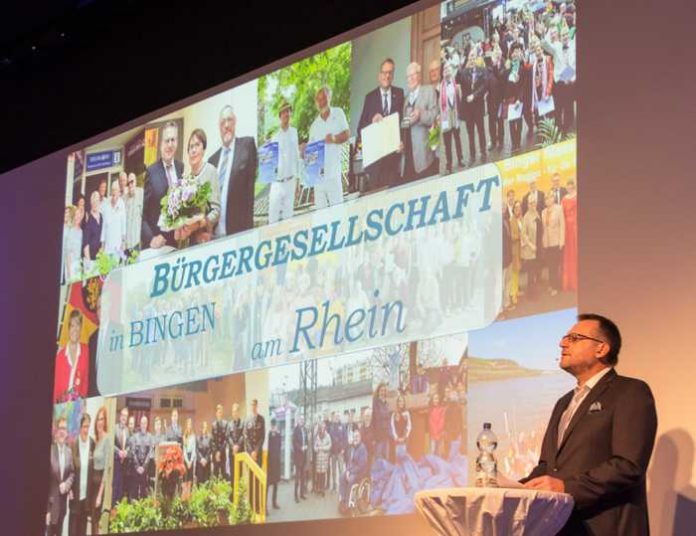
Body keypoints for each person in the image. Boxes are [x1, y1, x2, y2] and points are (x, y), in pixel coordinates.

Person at [521, 314, 657, 535]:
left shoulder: (630, 392)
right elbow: (548, 466)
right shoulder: (563, 402)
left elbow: (628, 465)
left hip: (605, 527)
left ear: (601, 349)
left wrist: (567, 488)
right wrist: (511, 489)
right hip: (561, 526)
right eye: (565, 338)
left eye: (574, 338)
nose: (562, 343)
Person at [208, 105, 258, 237]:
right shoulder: (212, 160)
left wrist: (249, 231)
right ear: (219, 127)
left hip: (239, 232)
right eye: (222, 122)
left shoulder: (247, 146)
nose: (226, 125)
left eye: (229, 120)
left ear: (235, 121)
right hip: (215, 234)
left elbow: (250, 190)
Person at [356, 58, 405, 190]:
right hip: (375, 163)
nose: (387, 76)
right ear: (379, 76)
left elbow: (403, 124)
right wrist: (372, 121)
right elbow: (360, 128)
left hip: (393, 160)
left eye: (390, 72)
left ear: (393, 75)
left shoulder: (399, 94)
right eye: (384, 72)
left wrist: (403, 143)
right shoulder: (370, 97)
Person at [142, 121, 183, 249]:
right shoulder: (151, 172)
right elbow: (142, 214)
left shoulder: (181, 167)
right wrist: (151, 238)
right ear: (160, 144)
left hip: (176, 244)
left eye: (173, 140)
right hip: (156, 248)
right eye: (167, 141)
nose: (170, 145)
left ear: (177, 142)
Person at [307, 86, 350, 208]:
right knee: (321, 215)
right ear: (316, 103)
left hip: (333, 174)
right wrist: (304, 150)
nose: (322, 102)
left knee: (338, 212)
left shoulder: (338, 113)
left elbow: (347, 134)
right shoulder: (314, 126)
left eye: (324, 98)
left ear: (329, 98)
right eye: (319, 100)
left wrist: (334, 139)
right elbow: (310, 155)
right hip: (318, 178)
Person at [402, 62, 438, 182]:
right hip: (408, 155)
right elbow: (404, 123)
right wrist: (409, 120)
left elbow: (434, 116)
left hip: (425, 154)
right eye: (408, 76)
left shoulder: (429, 91)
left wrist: (420, 114)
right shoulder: (406, 98)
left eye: (414, 75)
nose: (411, 78)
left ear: (419, 75)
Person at [268, 101, 300, 223]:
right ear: (280, 115)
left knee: (288, 218)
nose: (287, 114)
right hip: (277, 183)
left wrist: (297, 180)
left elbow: (297, 157)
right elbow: (270, 162)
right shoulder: (274, 137)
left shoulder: (294, 133)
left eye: (289, 111)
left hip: (290, 181)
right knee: (273, 219)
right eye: (284, 111)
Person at [456, 49, 488, 166]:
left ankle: (483, 151)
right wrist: (463, 65)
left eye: (474, 57)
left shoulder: (482, 71)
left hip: (478, 106)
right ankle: (472, 154)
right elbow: (457, 80)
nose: (473, 59)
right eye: (470, 57)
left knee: (481, 130)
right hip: (468, 109)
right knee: (470, 133)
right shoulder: (464, 72)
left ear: (477, 58)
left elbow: (485, 86)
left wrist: (474, 96)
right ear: (468, 58)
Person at [543, 25, 576, 134]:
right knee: (558, 107)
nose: (565, 37)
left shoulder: (573, 46)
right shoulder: (556, 47)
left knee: (569, 107)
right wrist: (548, 30)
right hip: (559, 83)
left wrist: (571, 78)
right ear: (559, 37)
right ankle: (558, 129)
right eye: (562, 35)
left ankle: (567, 128)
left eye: (566, 34)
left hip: (570, 82)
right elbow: (544, 44)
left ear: (569, 35)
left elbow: (575, 65)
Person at [54, 309, 89, 402]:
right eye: (72, 325)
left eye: (78, 325)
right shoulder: (59, 357)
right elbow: (55, 388)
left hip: (78, 406)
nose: (75, 329)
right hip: (61, 406)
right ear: (68, 329)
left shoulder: (86, 351)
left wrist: (82, 400)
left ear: (81, 328)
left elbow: (86, 381)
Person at [47, 417, 74, 536]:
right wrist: (46, 510)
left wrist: (67, 485)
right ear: (56, 431)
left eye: (65, 428)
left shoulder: (69, 452)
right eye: (61, 428)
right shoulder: (50, 450)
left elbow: (72, 473)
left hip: (62, 505)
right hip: (51, 506)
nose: (63, 431)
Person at [69, 413, 94, 536]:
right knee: (73, 531)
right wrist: (69, 490)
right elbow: (69, 470)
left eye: (88, 426)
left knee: (82, 531)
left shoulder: (92, 444)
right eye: (84, 426)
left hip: (86, 498)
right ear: (79, 427)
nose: (86, 429)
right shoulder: (73, 444)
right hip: (75, 497)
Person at [438, 62, 464, 174]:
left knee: (457, 138)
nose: (447, 70)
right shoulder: (439, 87)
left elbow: (460, 98)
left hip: (455, 114)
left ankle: (460, 159)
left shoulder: (455, 83)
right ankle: (449, 165)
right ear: (442, 73)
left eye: (448, 68)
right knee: (447, 142)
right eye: (445, 69)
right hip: (445, 117)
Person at [502, 42, 527, 153]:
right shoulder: (508, 66)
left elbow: (523, 85)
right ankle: (514, 143)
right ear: (511, 53)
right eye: (514, 51)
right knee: (512, 122)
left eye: (518, 51)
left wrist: (519, 99)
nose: (515, 53)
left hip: (519, 99)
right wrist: (506, 70)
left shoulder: (522, 68)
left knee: (519, 122)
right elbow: (503, 81)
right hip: (509, 98)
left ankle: (518, 141)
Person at [542, 191, 565, 296]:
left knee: (555, 265)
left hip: (556, 242)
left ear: (553, 198)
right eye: (546, 198)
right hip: (547, 243)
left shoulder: (559, 208)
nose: (548, 200)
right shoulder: (543, 211)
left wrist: (561, 241)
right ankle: (551, 284)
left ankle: (556, 287)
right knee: (550, 265)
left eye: (550, 197)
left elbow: (562, 225)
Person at [91, 407, 110, 534]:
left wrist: (99, 495)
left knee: (95, 519)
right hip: (90, 483)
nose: (99, 421)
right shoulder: (94, 440)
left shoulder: (106, 439)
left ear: (105, 421)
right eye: (98, 418)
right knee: (93, 519)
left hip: (99, 484)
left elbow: (106, 468)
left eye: (102, 418)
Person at [339, 429, 368, 508]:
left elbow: (361, 465)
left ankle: (347, 502)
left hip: (359, 473)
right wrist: (348, 470)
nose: (355, 438)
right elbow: (349, 462)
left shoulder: (363, 448)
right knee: (342, 476)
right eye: (354, 436)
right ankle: (343, 498)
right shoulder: (352, 448)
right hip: (351, 471)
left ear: (360, 437)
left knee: (350, 479)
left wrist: (351, 472)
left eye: (357, 436)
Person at [521, 196, 542, 299]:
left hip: (538, 247)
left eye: (534, 203)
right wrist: (531, 245)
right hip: (530, 249)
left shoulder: (537, 213)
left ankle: (534, 291)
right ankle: (531, 295)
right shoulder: (526, 217)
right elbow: (523, 234)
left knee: (535, 271)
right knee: (530, 273)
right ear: (528, 204)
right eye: (530, 203)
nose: (532, 205)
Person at [100, 179, 126, 260]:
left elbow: (123, 225)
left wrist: (123, 243)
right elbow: (104, 225)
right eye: (113, 190)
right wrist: (102, 244)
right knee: (106, 269)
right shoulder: (106, 204)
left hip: (117, 245)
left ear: (119, 192)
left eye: (116, 190)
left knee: (115, 269)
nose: (114, 192)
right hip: (107, 245)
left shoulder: (121, 204)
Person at [128, 415, 152, 501]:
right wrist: (137, 467)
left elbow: (150, 453)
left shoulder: (150, 437)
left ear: (147, 424)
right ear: (140, 424)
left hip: (145, 469)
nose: (143, 424)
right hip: (136, 468)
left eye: (145, 423)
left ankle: (142, 510)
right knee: (134, 491)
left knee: (143, 492)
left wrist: (144, 467)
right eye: (142, 423)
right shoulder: (135, 436)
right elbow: (133, 452)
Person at [561, 180, 577, 291]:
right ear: (566, 187)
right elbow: (562, 215)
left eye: (571, 186)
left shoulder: (577, 196)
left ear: (573, 186)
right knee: (568, 254)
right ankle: (569, 282)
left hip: (576, 227)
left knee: (576, 252)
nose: (569, 188)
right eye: (568, 186)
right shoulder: (564, 199)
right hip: (567, 228)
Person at [507, 200, 523, 309]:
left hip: (520, 250)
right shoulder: (511, 220)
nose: (518, 210)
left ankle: (516, 291)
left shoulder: (520, 219)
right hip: (514, 250)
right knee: (514, 273)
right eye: (516, 208)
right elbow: (512, 236)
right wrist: (520, 236)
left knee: (517, 271)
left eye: (519, 207)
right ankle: (513, 295)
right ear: (513, 210)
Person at [112, 407, 130, 504]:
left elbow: (129, 445)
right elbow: (111, 443)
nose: (124, 418)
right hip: (116, 462)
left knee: (121, 489)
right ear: (120, 416)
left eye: (126, 416)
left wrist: (126, 451)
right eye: (123, 415)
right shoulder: (115, 428)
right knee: (115, 487)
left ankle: (117, 512)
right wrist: (118, 451)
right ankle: (112, 512)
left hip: (124, 464)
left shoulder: (127, 430)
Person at [82, 191, 102, 269]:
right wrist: (89, 262)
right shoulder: (88, 219)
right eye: (93, 202)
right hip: (90, 259)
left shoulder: (102, 217)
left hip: (100, 258)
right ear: (91, 203)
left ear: (99, 202)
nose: (95, 204)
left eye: (97, 201)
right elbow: (85, 243)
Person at [371, 383, 391, 461]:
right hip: (378, 436)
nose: (383, 392)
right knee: (378, 458)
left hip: (386, 435)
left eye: (384, 391)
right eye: (381, 390)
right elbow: (373, 420)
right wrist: (373, 437)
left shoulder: (386, 404)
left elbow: (388, 420)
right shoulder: (375, 403)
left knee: (386, 458)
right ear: (378, 392)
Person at [123, 173, 143, 252]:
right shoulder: (124, 199)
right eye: (128, 183)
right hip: (127, 244)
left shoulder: (141, 194)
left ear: (136, 182)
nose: (130, 185)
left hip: (137, 242)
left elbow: (144, 218)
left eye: (132, 182)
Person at [63, 205, 83, 282]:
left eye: (79, 215)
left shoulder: (81, 231)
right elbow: (67, 253)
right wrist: (69, 272)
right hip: (70, 266)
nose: (78, 217)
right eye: (76, 215)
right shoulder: (70, 231)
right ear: (73, 217)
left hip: (78, 266)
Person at [292, 415, 308, 503]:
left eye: (303, 419)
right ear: (298, 421)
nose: (302, 421)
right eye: (301, 419)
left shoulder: (305, 429)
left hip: (304, 457)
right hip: (298, 457)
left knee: (303, 477)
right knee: (297, 478)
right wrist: (301, 447)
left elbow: (307, 441)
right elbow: (294, 442)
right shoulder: (296, 429)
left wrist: (306, 446)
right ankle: (295, 496)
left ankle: (301, 494)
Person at [328, 412, 346, 492]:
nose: (336, 418)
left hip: (340, 452)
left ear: (339, 417)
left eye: (338, 416)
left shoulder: (342, 426)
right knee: (333, 470)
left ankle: (342, 485)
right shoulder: (331, 427)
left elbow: (345, 438)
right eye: (335, 416)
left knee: (341, 470)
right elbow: (329, 439)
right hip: (333, 452)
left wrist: (343, 449)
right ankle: (334, 485)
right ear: (333, 418)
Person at [313, 421, 332, 497]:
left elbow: (330, 445)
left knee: (323, 474)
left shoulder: (328, 436)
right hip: (318, 458)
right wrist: (316, 448)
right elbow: (315, 446)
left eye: (324, 427)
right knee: (319, 474)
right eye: (321, 427)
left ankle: (323, 489)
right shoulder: (317, 436)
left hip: (324, 458)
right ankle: (319, 488)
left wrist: (323, 448)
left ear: (325, 428)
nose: (322, 428)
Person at [244, 399, 265, 464]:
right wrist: (251, 451)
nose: (253, 407)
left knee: (258, 472)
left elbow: (262, 436)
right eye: (252, 405)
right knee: (250, 473)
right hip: (250, 452)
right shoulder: (247, 420)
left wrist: (256, 451)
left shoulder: (261, 419)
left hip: (258, 452)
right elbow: (246, 436)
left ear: (257, 406)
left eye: (254, 405)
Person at [266, 419, 281, 510]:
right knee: (267, 485)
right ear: (271, 426)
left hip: (277, 463)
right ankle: (265, 507)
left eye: (275, 426)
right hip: (270, 464)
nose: (274, 427)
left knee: (276, 484)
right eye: (272, 426)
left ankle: (274, 503)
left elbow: (279, 446)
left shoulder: (279, 435)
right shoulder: (269, 435)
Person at [211, 405, 228, 479]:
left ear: (222, 413)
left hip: (222, 452)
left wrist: (220, 452)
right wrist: (216, 452)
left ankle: (224, 490)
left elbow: (225, 439)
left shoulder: (225, 423)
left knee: (223, 472)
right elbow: (212, 441)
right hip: (215, 453)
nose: (219, 413)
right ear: (216, 413)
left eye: (221, 412)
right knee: (215, 473)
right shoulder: (213, 424)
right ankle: (215, 490)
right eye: (218, 412)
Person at [428, 392, 446, 457]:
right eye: (434, 399)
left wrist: (438, 430)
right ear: (432, 400)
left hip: (440, 434)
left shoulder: (442, 409)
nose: (436, 400)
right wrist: (434, 432)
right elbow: (430, 422)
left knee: (439, 451)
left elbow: (442, 421)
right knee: (432, 451)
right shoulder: (430, 409)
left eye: (437, 399)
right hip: (433, 434)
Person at [182, 417, 197, 495]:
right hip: (185, 458)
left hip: (191, 457)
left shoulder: (193, 436)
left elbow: (194, 449)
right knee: (185, 477)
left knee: (190, 477)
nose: (189, 426)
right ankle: (185, 495)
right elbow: (184, 449)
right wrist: (187, 461)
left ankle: (189, 495)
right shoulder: (184, 436)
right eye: (188, 424)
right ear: (186, 425)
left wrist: (190, 461)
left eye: (190, 424)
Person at [196, 421, 212, 486]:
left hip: (207, 463)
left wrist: (206, 459)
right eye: (203, 427)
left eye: (205, 427)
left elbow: (210, 449)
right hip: (200, 463)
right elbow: (197, 450)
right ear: (201, 428)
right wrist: (201, 459)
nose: (204, 429)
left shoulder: (209, 438)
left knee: (207, 481)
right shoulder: (197, 438)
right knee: (200, 481)